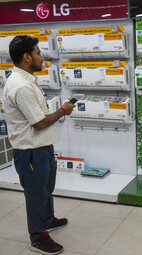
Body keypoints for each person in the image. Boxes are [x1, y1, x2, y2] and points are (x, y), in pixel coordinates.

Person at [3, 35, 75, 255]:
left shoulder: (27, 81)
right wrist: (63, 111)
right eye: (37, 53)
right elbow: (39, 123)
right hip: (31, 151)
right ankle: (38, 238)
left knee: (45, 189)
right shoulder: (21, 86)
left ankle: (47, 219)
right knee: (36, 195)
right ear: (26, 57)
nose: (42, 57)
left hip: (41, 148)